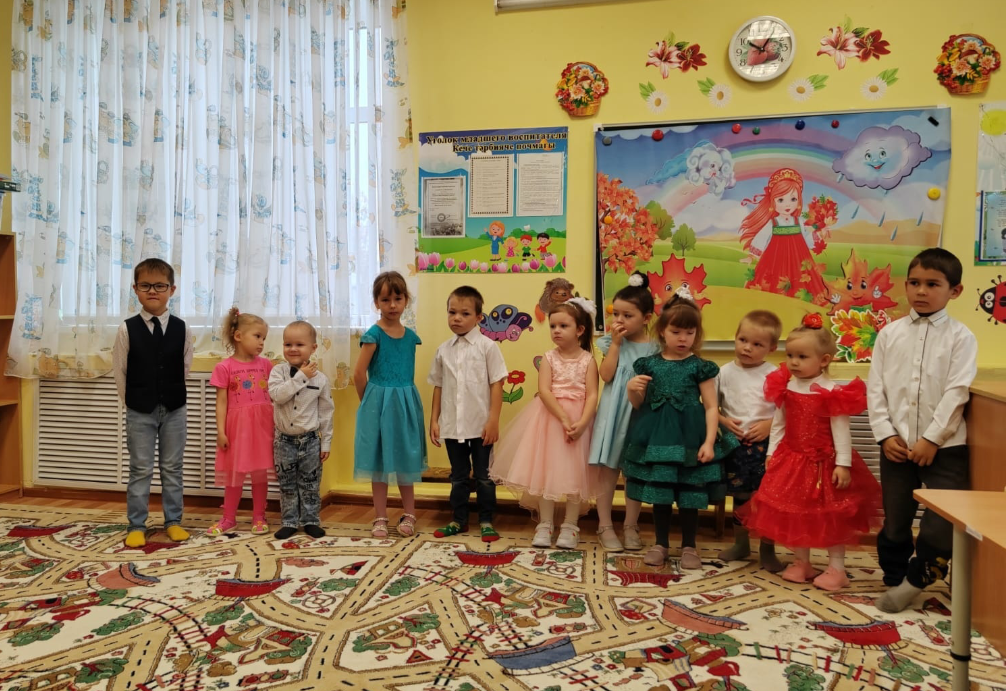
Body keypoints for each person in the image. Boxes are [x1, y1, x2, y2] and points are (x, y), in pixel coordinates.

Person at [868, 248, 977, 612]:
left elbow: (957, 392)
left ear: (954, 291)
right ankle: (894, 576)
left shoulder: (962, 338)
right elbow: (876, 389)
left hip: (945, 448)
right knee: (896, 518)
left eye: (933, 284)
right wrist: (885, 434)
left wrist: (932, 439)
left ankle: (917, 580)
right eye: (914, 283)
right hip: (896, 446)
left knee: (942, 519)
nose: (921, 291)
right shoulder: (889, 334)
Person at [740, 314, 881, 591]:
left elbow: (841, 431)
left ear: (824, 360)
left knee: (831, 518)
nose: (793, 362)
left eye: (802, 357)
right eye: (790, 355)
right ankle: (802, 562)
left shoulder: (831, 392)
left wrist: (843, 464)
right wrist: (771, 452)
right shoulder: (786, 386)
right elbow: (779, 423)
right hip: (791, 460)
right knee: (796, 514)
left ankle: (837, 569)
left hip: (823, 464)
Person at [622, 288, 738, 569]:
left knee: (689, 492)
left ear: (697, 334)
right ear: (662, 331)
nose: (683, 338)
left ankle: (689, 546)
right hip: (656, 437)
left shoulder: (699, 367)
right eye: (676, 332)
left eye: (690, 332)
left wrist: (708, 442)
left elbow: (711, 407)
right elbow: (639, 404)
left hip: (690, 437)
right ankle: (661, 543)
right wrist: (631, 389)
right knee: (660, 491)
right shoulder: (649, 364)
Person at [490, 298, 599, 550]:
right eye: (553, 326)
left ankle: (570, 525)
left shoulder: (588, 360)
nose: (556, 331)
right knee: (544, 472)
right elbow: (545, 391)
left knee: (575, 475)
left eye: (563, 326)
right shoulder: (549, 358)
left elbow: (593, 394)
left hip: (580, 423)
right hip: (550, 420)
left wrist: (582, 423)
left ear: (580, 330)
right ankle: (545, 523)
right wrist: (563, 418)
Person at [113, 258, 193, 548]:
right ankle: (136, 525)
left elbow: (185, 367)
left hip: (174, 408)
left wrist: (169, 394)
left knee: (172, 468)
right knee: (140, 469)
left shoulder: (183, 328)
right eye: (145, 285)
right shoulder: (126, 329)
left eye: (160, 286)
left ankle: (173, 522)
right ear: (135, 289)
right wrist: (134, 403)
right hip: (140, 410)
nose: (153, 291)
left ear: (172, 289)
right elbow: (120, 371)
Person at [428, 286, 508, 541]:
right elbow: (439, 386)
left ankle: (486, 520)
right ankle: (459, 520)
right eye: (452, 312)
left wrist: (493, 420)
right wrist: (434, 420)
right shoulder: (443, 350)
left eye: (464, 313)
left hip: (481, 425)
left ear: (479, 317)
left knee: (484, 477)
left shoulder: (488, 347)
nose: (457, 318)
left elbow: (497, 384)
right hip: (453, 426)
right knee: (458, 476)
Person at [353, 271, 427, 538]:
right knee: (379, 463)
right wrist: (369, 403)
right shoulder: (373, 335)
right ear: (376, 303)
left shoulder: (411, 337)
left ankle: (409, 513)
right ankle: (380, 516)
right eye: (385, 300)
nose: (392, 305)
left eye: (398, 299)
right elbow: (358, 374)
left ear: (406, 300)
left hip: (405, 405)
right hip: (378, 405)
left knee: (406, 459)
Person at [589, 272, 657, 552]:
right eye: (616, 314)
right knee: (607, 471)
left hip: (639, 415)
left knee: (634, 473)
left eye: (627, 315)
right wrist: (616, 344)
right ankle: (605, 525)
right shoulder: (610, 342)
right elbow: (606, 376)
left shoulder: (656, 347)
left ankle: (631, 525)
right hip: (612, 413)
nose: (619, 320)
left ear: (646, 318)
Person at [716, 310, 784, 572]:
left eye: (757, 344)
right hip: (735, 447)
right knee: (740, 497)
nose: (747, 348)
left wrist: (769, 425)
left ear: (772, 348)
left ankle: (767, 549)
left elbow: (786, 412)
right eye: (743, 340)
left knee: (768, 499)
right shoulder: (723, 372)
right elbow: (710, 407)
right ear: (735, 337)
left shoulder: (775, 374)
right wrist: (723, 422)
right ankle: (741, 544)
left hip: (767, 448)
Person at [208, 308, 275, 535]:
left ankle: (259, 517)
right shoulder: (224, 367)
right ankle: (229, 518)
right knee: (234, 474)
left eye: (263, 337)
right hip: (237, 429)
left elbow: (275, 395)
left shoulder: (266, 365)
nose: (261, 342)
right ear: (238, 336)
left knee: (259, 473)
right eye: (257, 336)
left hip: (262, 428)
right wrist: (221, 431)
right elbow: (221, 402)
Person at [268, 321, 335, 540]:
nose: (293, 349)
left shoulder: (321, 379)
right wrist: (301, 377)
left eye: (299, 344)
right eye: (288, 344)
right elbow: (277, 396)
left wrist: (326, 442)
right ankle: (289, 521)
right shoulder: (277, 372)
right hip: (283, 441)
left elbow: (326, 412)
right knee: (287, 483)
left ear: (313, 348)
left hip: (310, 441)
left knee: (310, 483)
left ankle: (310, 520)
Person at [739, 167, 828, 305]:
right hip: (775, 259)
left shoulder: (799, 222)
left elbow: (807, 240)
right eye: (781, 200)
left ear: (799, 201)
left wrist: (819, 234)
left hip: (799, 259)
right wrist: (752, 256)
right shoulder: (773, 223)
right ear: (773, 202)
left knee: (802, 282)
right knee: (772, 283)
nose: (787, 204)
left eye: (793, 199)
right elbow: (762, 238)